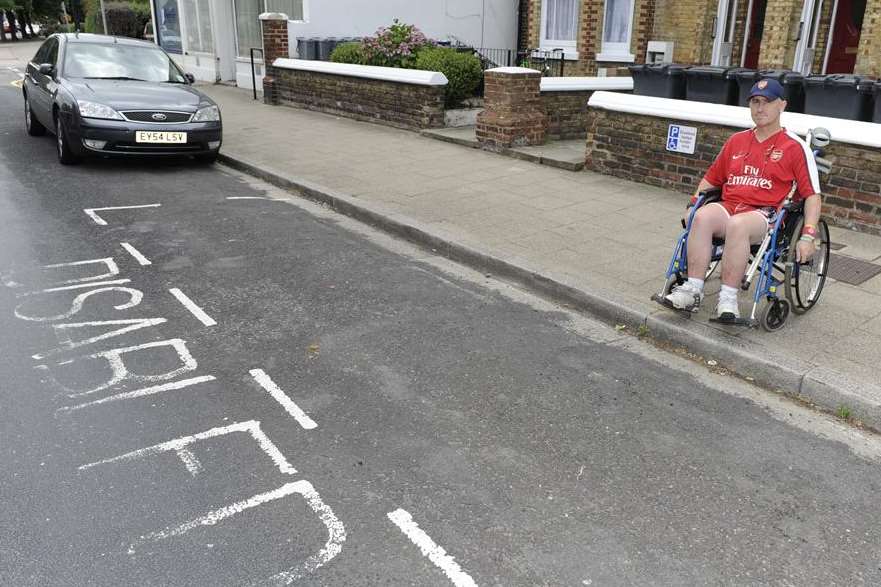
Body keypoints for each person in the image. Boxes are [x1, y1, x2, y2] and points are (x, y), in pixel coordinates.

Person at [665, 78, 822, 321]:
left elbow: (812, 195)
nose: (760, 108)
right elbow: (711, 179)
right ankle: (693, 290)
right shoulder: (736, 141)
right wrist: (692, 205)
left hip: (765, 214)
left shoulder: (794, 147)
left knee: (737, 225)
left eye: (767, 102)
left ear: (782, 105)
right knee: (702, 216)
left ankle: (728, 299)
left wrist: (808, 236)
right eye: (755, 102)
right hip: (730, 205)